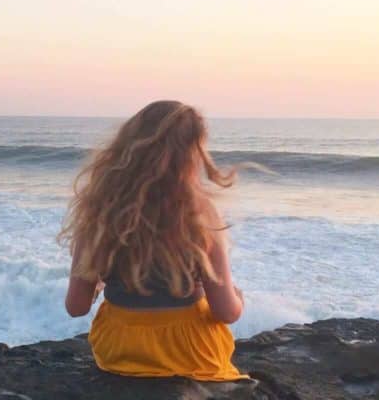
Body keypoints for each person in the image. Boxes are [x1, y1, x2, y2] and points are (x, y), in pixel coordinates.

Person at [59, 100, 248, 381]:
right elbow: (226, 312)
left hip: (118, 350)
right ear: (192, 154)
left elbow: (76, 307)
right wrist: (239, 299)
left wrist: (99, 285)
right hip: (189, 354)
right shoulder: (200, 212)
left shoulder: (100, 208)